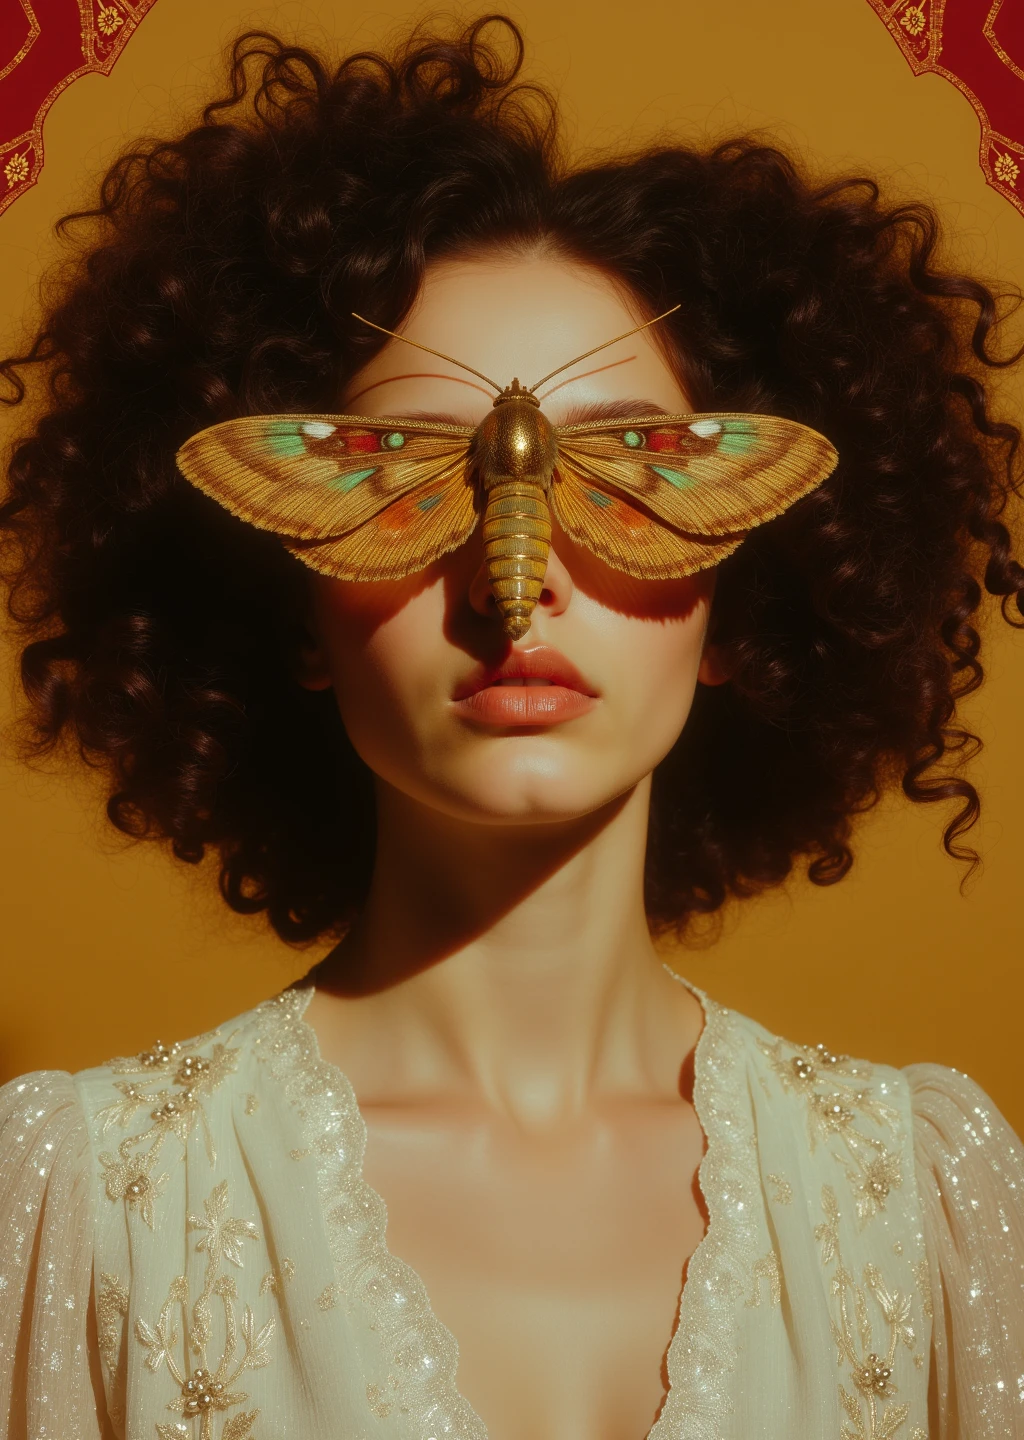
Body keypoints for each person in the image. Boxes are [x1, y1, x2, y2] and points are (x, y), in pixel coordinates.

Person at [0, 18, 1021, 1440]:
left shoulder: (934, 1199)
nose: (506, 577)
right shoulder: (80, 1201)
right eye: (413, 467)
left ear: (737, 591)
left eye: (642, 474)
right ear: (299, 602)